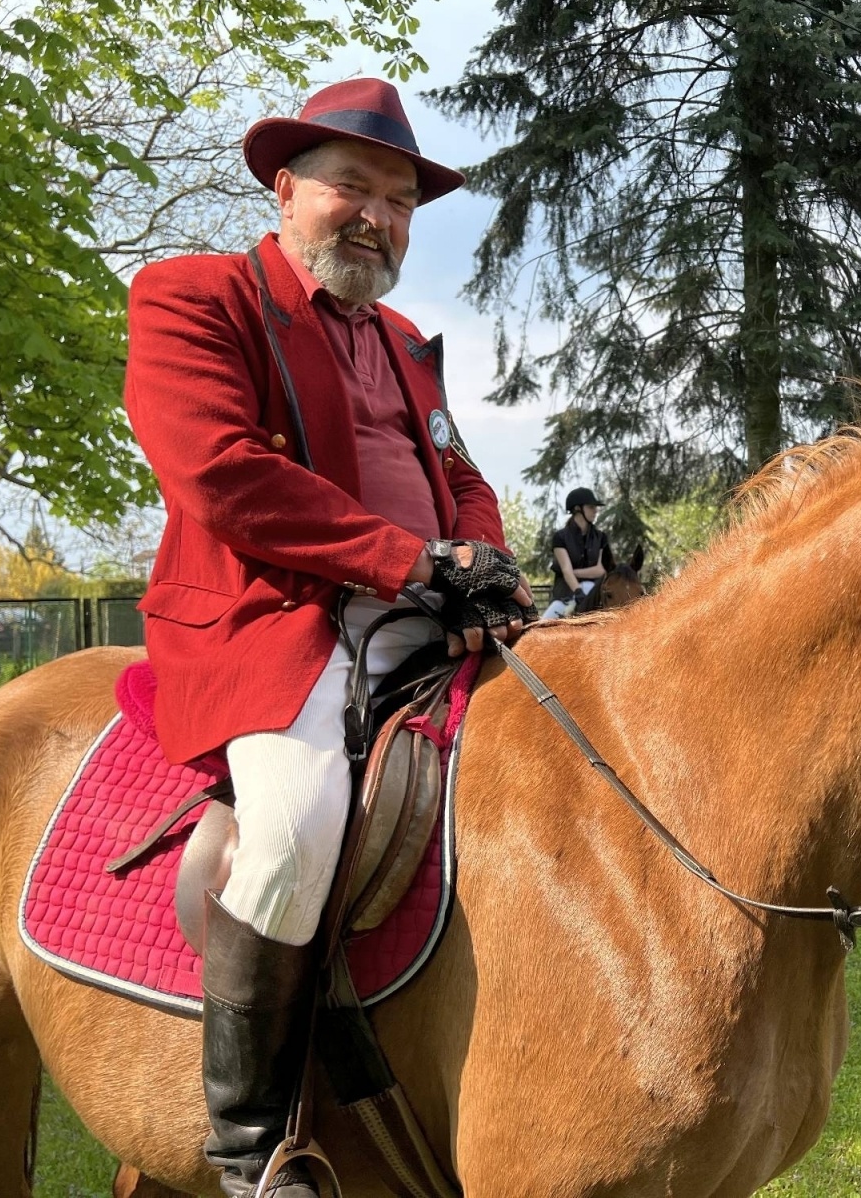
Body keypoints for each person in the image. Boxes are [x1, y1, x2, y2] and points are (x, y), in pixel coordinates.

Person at [123, 78, 533, 1198]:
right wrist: (412, 562)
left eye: (400, 202)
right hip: (272, 625)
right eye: (353, 188)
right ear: (286, 186)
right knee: (299, 825)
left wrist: (481, 563)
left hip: (426, 622)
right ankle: (252, 1145)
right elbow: (222, 473)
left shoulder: (403, 339)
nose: (378, 218)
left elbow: (459, 474)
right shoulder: (190, 295)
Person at [542, 487, 608, 619]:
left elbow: (601, 570)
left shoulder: (601, 537)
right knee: (542, 626)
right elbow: (566, 570)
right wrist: (578, 591)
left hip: (593, 595)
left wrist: (574, 572)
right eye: (591, 507)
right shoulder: (560, 537)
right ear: (578, 509)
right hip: (566, 595)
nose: (595, 511)